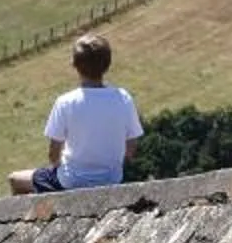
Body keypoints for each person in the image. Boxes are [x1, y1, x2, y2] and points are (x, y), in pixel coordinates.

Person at [10, 33, 142, 195]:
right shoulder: (123, 98)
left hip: (71, 181)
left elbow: (53, 154)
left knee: (15, 179)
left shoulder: (66, 102)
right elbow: (131, 147)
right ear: (108, 64)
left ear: (75, 65)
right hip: (112, 179)